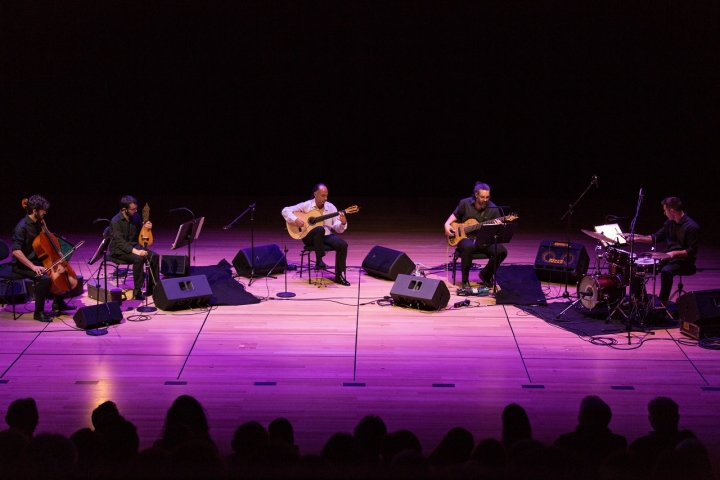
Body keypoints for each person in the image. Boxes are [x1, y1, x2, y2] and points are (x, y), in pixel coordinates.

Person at [11, 195, 76, 322]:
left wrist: (45, 228)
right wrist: (33, 267)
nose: (45, 212)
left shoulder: (39, 222)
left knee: (58, 271)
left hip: (37, 259)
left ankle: (58, 303)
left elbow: (47, 241)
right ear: (35, 211)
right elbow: (16, 251)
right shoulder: (22, 227)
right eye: (43, 210)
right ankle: (38, 312)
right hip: (22, 264)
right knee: (44, 278)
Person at [625, 197, 699, 306]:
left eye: (665, 210)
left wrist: (673, 253)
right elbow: (656, 237)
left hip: (684, 261)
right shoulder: (669, 223)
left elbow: (692, 251)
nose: (664, 213)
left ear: (672, 211)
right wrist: (636, 238)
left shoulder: (692, 227)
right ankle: (639, 298)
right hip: (667, 258)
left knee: (666, 271)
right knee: (636, 265)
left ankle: (663, 304)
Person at [281, 184, 350, 286]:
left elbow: (337, 228)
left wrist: (343, 223)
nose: (325, 198)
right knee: (319, 229)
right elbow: (285, 210)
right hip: (309, 237)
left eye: (326, 196)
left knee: (343, 245)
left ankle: (339, 276)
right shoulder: (306, 205)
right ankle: (319, 260)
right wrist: (296, 220)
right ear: (315, 194)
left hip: (326, 236)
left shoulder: (331, 207)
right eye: (323, 195)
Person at [444, 181, 508, 288]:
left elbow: (496, 232)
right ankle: (465, 281)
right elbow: (454, 215)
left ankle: (485, 275)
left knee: (502, 251)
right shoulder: (465, 203)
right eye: (482, 197)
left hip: (484, 240)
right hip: (466, 238)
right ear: (476, 194)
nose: (485, 199)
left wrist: (498, 226)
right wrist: (446, 224)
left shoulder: (493, 209)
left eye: (487, 197)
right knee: (468, 247)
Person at [109, 195, 159, 301]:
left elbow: (140, 232)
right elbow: (121, 243)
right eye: (133, 209)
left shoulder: (135, 216)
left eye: (136, 208)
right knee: (139, 258)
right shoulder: (115, 221)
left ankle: (153, 287)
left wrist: (147, 227)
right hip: (118, 250)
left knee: (154, 256)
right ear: (124, 209)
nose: (135, 211)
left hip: (133, 245)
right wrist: (137, 252)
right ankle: (137, 291)